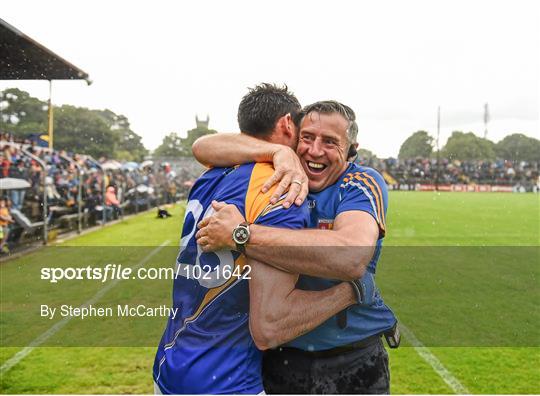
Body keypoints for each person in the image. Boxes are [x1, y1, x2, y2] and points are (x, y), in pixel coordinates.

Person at [153, 85, 366, 394]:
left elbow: (202, 146)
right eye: (304, 135)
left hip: (170, 363)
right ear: (286, 125)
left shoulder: (213, 172)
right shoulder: (280, 188)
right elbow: (271, 323)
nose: (309, 148)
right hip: (224, 378)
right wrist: (352, 291)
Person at [193, 100, 398, 394]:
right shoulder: (280, 170)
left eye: (330, 142)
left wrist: (242, 235)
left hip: (355, 357)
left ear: (351, 149)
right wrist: (277, 151)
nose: (315, 151)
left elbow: (350, 255)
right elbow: (202, 147)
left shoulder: (360, 181)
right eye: (308, 138)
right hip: (281, 359)